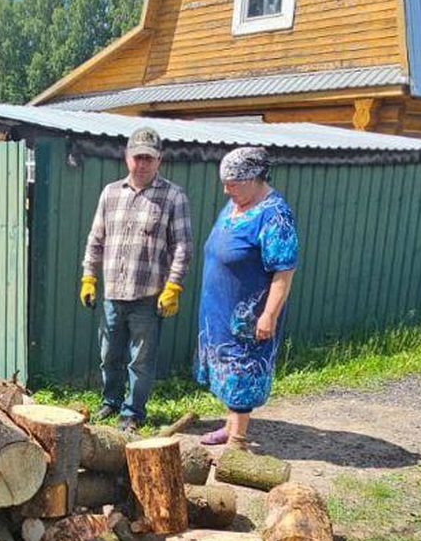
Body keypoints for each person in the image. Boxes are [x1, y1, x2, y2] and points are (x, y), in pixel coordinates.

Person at [80, 126, 193, 433]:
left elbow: (182, 246)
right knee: (108, 356)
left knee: (140, 361)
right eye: (137, 157)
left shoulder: (173, 196)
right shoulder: (110, 193)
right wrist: (89, 277)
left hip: (148, 295)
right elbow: (96, 239)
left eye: (149, 158)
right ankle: (112, 401)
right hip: (113, 294)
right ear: (126, 156)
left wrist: (173, 286)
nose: (141, 164)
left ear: (159, 160)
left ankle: (133, 412)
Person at [196, 146, 298, 450]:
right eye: (224, 183)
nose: (227, 190)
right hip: (219, 309)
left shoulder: (275, 215)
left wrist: (269, 315)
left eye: (233, 184)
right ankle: (230, 428)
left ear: (255, 178)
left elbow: (284, 272)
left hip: (248, 315)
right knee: (225, 370)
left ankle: (237, 443)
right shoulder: (235, 205)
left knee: (241, 371)